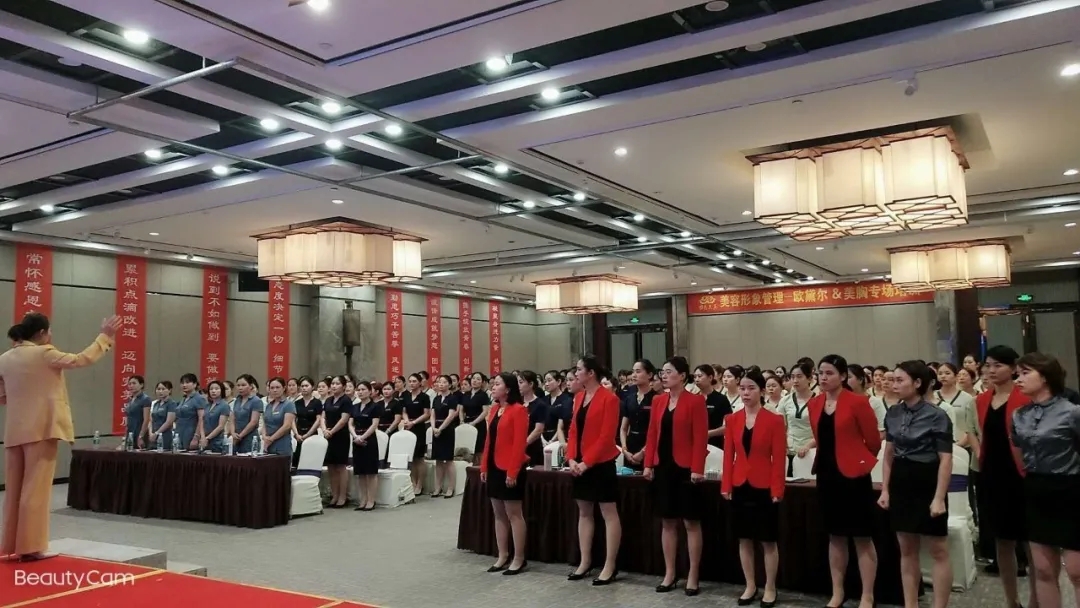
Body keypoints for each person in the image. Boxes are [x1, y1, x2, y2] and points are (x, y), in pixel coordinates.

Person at [0, 312, 119, 561]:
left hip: (14, 431)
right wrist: (105, 336)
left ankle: (10, 544)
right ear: (42, 333)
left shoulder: (6, 358)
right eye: (50, 330)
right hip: (42, 429)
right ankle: (31, 547)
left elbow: (2, 396)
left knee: (14, 490)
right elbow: (81, 359)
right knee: (36, 490)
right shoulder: (45, 353)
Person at [878, 360, 954, 608]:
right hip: (901, 479)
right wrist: (886, 489)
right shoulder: (893, 413)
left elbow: (946, 459)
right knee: (907, 549)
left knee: (938, 549)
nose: (894, 384)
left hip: (927, 479)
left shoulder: (937, 415)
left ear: (918, 383)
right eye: (893, 379)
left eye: (900, 380)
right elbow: (888, 454)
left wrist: (939, 497)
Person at [809, 355, 883, 608]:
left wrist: (859, 462)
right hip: (827, 474)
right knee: (836, 535)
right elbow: (819, 437)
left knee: (862, 536)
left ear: (842, 376)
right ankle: (837, 592)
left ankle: (867, 595)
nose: (823, 377)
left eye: (829, 373)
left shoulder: (857, 402)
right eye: (820, 373)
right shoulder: (815, 403)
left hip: (854, 476)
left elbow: (873, 442)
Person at [1012, 352, 1080, 608]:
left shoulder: (1072, 412)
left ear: (1045, 377)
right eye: (1017, 374)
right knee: (1042, 569)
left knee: (1076, 570)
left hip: (1070, 488)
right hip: (1036, 488)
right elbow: (1019, 452)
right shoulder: (1019, 415)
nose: (1018, 379)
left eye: (1025, 373)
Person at [643, 356, 708, 596]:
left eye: (669, 371)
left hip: (686, 468)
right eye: (663, 372)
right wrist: (648, 464)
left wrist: (697, 468)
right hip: (663, 466)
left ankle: (693, 574)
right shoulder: (658, 400)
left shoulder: (695, 401)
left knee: (691, 522)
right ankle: (670, 573)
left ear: (682, 376)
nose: (664, 375)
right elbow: (652, 434)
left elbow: (700, 437)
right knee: (667, 521)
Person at [722, 369, 785, 608]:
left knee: (768, 540)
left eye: (751, 388)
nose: (746, 393)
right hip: (740, 483)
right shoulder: (732, 419)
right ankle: (750, 585)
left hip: (764, 485)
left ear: (761, 391)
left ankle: (770, 587)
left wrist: (777, 489)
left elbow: (779, 459)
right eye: (743, 388)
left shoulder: (774, 420)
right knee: (744, 539)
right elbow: (729, 455)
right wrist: (726, 484)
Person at [975, 345, 1034, 597]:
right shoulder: (982, 399)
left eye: (998, 365)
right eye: (988, 365)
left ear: (1013, 369)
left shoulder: (1026, 398)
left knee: (1030, 539)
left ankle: (1036, 599)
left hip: (1021, 473)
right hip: (992, 474)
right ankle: (1011, 600)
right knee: (1002, 539)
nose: (991, 370)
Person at [566, 356, 622, 586]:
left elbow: (606, 437)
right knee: (584, 512)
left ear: (591, 373)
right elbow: (573, 431)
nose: (576, 373)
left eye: (579, 369)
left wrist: (587, 462)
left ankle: (610, 565)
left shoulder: (610, 399)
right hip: (579, 463)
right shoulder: (579, 397)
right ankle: (585, 561)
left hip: (601, 463)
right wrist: (571, 458)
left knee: (608, 512)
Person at [478, 371, 530, 575]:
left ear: (508, 388)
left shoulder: (519, 410)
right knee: (498, 513)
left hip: (510, 467)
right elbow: (488, 441)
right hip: (493, 465)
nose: (493, 387)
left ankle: (519, 558)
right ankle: (502, 555)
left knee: (514, 514)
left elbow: (519, 444)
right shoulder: (494, 409)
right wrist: (484, 466)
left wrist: (513, 471)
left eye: (497, 384)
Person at [349, 381, 382, 511]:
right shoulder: (354, 406)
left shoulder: (375, 406)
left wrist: (363, 437)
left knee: (370, 472)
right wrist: (355, 436)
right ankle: (362, 500)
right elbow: (350, 424)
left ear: (370, 391)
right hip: (356, 440)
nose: (360, 392)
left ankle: (371, 500)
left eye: (363, 389)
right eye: (359, 390)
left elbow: (374, 425)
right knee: (361, 472)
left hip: (369, 441)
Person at [619, 359, 657, 469]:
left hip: (649, 445)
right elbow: (623, 428)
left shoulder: (656, 398)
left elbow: (657, 430)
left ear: (649, 375)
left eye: (638, 371)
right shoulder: (629, 399)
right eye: (633, 371)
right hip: (630, 445)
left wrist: (643, 452)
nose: (634, 375)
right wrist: (624, 449)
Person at [779, 361, 816, 473]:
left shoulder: (819, 400)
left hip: (811, 452)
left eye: (799, 376)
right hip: (788, 451)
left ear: (809, 379)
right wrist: (783, 446)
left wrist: (808, 446)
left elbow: (823, 431)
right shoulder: (785, 400)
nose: (795, 380)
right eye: (792, 377)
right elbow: (780, 427)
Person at [401, 373, 431, 495]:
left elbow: (426, 414)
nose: (412, 384)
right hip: (408, 427)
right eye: (410, 381)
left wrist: (413, 422)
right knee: (411, 457)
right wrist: (407, 420)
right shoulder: (405, 396)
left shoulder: (424, 397)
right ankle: (413, 483)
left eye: (414, 381)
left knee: (419, 457)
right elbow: (403, 411)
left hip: (419, 427)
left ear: (419, 383)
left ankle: (420, 484)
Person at [430, 374, 460, 497]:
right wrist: (433, 427)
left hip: (447, 430)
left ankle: (450, 488)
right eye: (439, 382)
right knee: (438, 460)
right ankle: (438, 487)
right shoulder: (436, 399)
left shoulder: (452, 398)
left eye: (444, 382)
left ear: (449, 384)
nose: (441, 384)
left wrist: (440, 429)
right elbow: (432, 414)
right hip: (436, 430)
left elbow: (451, 416)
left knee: (448, 460)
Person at [934, 363, 976, 444]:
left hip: (962, 445)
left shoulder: (967, 398)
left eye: (947, 373)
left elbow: (971, 427)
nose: (943, 376)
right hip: (937, 446)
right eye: (940, 374)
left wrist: (959, 444)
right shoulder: (932, 396)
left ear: (956, 376)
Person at [695, 364, 732, 449]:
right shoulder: (693, 398)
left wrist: (709, 433)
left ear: (710, 377)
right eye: (695, 377)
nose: (697, 379)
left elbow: (729, 425)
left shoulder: (721, 399)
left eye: (700, 376)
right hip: (695, 444)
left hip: (715, 445)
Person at [518, 371, 548, 468]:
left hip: (532, 447)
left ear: (531, 384)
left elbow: (538, 430)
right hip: (517, 445)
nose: (518, 385)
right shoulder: (517, 403)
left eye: (521, 382)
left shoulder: (540, 404)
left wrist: (523, 445)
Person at [292, 376, 323, 468]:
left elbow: (318, 420)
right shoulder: (297, 403)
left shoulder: (317, 402)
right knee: (297, 461)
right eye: (302, 386)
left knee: (311, 461)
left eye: (306, 386)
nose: (304, 388)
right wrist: (296, 434)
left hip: (312, 434)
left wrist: (308, 434)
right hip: (299, 435)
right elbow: (292, 420)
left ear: (312, 387)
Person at [261, 377, 296, 458]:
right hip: (268, 445)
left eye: (277, 387)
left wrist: (271, 439)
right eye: (272, 388)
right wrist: (264, 436)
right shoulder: (269, 405)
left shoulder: (288, 404)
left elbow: (287, 426)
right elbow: (265, 423)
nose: (275, 390)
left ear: (284, 388)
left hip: (282, 445)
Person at [461, 372, 491, 464]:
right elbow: (461, 409)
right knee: (467, 449)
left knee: (478, 450)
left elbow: (485, 412)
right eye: (473, 378)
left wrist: (474, 423)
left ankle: (480, 469)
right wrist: (461, 421)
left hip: (479, 423)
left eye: (478, 379)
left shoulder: (483, 395)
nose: (475, 381)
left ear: (482, 382)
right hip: (466, 422)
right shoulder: (466, 394)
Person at [230, 375, 264, 454]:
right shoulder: (237, 400)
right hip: (236, 438)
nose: (240, 388)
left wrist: (240, 436)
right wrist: (233, 433)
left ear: (251, 386)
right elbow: (232, 419)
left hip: (249, 438)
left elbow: (254, 422)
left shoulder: (256, 401)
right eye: (238, 385)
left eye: (243, 385)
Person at [174, 373, 207, 451]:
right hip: (179, 432)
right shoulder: (183, 399)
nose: (184, 385)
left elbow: (201, 419)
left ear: (195, 384)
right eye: (182, 383)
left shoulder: (199, 398)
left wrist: (196, 437)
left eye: (187, 382)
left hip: (191, 433)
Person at [122, 375, 151, 449]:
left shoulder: (145, 399)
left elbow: (146, 420)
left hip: (139, 432)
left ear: (141, 385)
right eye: (130, 384)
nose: (131, 386)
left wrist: (141, 436)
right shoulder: (130, 399)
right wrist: (125, 436)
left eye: (134, 383)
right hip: (130, 432)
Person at [543, 370, 572, 444]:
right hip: (543, 437)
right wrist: (542, 440)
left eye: (549, 380)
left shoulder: (566, 399)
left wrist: (552, 441)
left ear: (558, 382)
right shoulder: (543, 400)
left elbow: (563, 424)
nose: (546, 384)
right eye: (545, 381)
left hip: (558, 438)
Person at [202, 381, 230, 454]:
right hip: (204, 439)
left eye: (216, 389)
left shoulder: (224, 405)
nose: (213, 391)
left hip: (217, 441)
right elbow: (202, 421)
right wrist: (202, 436)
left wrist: (207, 438)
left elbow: (221, 426)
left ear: (222, 391)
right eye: (211, 389)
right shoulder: (207, 405)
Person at [148, 381, 177, 451]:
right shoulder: (155, 404)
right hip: (153, 435)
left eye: (163, 389)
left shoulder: (171, 404)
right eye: (158, 389)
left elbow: (169, 422)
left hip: (164, 435)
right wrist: (150, 433)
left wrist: (157, 433)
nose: (160, 391)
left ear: (169, 390)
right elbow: (151, 420)